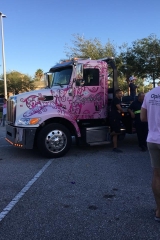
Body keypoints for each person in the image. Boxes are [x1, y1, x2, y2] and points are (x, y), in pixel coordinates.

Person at [140, 86, 160, 222]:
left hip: (153, 139)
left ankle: (159, 210)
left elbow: (142, 118)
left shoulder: (149, 94)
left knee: (157, 175)